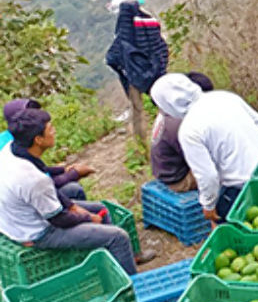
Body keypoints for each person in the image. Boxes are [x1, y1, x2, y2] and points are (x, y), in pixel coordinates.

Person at [0, 108, 152, 274]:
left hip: (22, 217)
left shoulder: (11, 150)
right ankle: (132, 289)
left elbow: (41, 170)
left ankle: (117, 264)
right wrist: (87, 217)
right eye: (50, 129)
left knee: (102, 209)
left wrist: (70, 198)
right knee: (118, 237)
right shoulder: (32, 180)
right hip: (37, 233)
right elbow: (58, 219)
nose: (54, 130)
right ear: (38, 140)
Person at [149, 74, 258, 223]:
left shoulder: (189, 129)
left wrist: (208, 206)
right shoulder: (225, 97)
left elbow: (208, 176)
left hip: (242, 187)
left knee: (223, 222)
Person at [3, 98, 94, 201]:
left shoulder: (16, 139)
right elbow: (39, 184)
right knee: (74, 190)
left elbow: (40, 170)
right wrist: (73, 174)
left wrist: (64, 170)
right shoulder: (14, 145)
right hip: (22, 205)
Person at [106, 0, 169, 143]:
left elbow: (112, 57)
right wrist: (157, 67)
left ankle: (141, 143)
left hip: (133, 77)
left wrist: (125, 69)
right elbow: (161, 48)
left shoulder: (123, 32)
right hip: (155, 73)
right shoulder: (150, 24)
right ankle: (168, 134)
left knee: (137, 110)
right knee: (164, 105)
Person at [150, 72, 214, 192]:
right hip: (178, 179)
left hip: (167, 169)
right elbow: (198, 157)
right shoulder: (179, 124)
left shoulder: (169, 110)